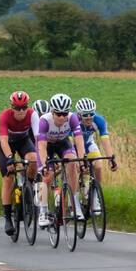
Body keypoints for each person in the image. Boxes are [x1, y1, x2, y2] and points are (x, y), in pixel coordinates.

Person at [35, 93, 87, 226]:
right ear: (52, 111)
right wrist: (44, 164)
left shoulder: (72, 118)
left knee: (73, 163)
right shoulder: (44, 121)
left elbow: (79, 140)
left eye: (65, 113)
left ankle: (75, 204)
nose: (62, 117)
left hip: (63, 143)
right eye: (58, 114)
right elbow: (41, 146)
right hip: (47, 146)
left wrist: (82, 160)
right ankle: (43, 211)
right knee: (47, 176)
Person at [0, 91, 39, 234]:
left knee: (34, 159)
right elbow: (3, 140)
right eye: (17, 108)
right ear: (12, 107)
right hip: (7, 144)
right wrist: (10, 157)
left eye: (24, 107)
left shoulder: (32, 114)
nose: (21, 111)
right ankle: (8, 218)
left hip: (23, 141)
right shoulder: (4, 116)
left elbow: (38, 137)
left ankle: (28, 188)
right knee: (8, 178)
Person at [75, 97, 117, 209]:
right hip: (73, 146)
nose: (89, 117)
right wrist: (79, 161)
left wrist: (111, 158)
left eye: (91, 114)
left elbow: (105, 140)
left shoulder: (99, 120)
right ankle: (74, 199)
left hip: (88, 144)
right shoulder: (73, 121)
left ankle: (95, 195)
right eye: (85, 115)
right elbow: (70, 143)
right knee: (77, 168)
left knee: (98, 165)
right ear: (79, 114)